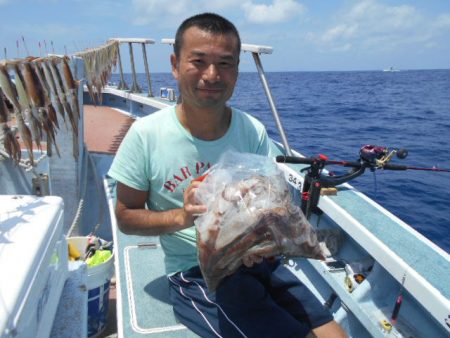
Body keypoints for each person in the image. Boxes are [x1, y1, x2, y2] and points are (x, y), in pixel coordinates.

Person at [108, 12, 347, 338]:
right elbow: (125, 217)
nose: (212, 74)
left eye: (225, 63)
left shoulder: (252, 130)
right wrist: (183, 216)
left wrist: (267, 237)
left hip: (259, 263)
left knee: (334, 332)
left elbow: (271, 203)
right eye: (199, 61)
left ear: (236, 70)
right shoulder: (145, 135)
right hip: (198, 274)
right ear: (175, 65)